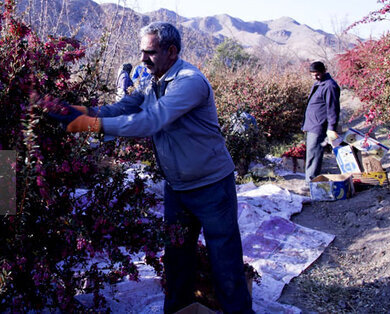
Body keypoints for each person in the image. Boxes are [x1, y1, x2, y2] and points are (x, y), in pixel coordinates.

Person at [49, 22, 253, 313]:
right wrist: (81, 113)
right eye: (141, 52)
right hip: (178, 187)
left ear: (171, 51)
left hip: (211, 186)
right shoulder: (151, 80)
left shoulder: (189, 82)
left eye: (150, 52)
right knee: (177, 261)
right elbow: (124, 107)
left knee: (226, 263)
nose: (142, 59)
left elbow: (152, 120)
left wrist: (92, 125)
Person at [302, 61, 341, 182]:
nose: (315, 77)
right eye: (312, 74)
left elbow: (333, 109)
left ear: (324, 71)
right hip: (312, 124)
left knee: (314, 155)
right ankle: (311, 181)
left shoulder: (329, 86)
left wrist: (331, 128)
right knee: (311, 154)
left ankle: (310, 184)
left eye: (317, 74)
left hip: (319, 126)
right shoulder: (319, 84)